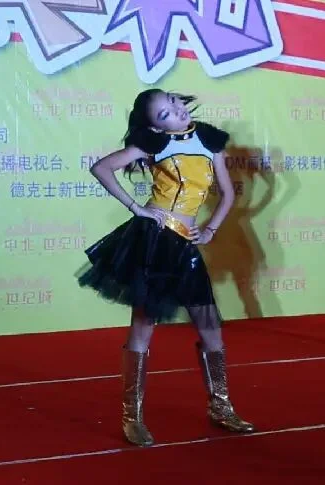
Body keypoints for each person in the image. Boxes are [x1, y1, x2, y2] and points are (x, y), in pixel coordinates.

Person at [77, 89, 253, 447]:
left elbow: (227, 193)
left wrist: (211, 229)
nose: (176, 111)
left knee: (211, 329)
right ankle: (132, 417)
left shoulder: (209, 139)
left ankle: (221, 407)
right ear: (155, 127)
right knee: (143, 328)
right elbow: (101, 168)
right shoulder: (154, 143)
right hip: (155, 242)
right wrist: (136, 208)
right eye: (164, 114)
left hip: (187, 245)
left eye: (173, 102)